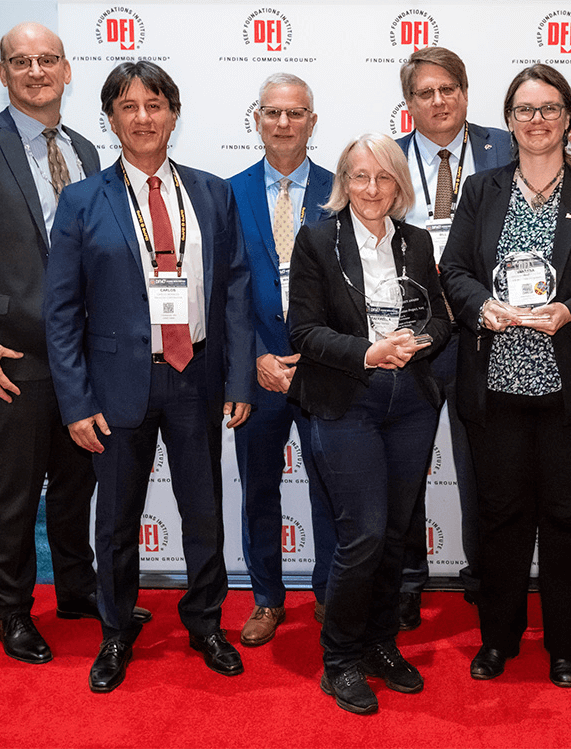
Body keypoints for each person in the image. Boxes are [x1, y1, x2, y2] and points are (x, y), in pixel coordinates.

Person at [0, 22, 150, 666]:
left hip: (82, 355)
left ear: (67, 70)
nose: (35, 70)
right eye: (20, 62)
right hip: (12, 355)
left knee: (79, 482)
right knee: (18, 490)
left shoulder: (85, 148)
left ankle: (77, 591)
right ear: (2, 74)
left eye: (46, 59)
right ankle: (14, 613)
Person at [44, 61, 255, 693]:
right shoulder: (82, 200)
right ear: (110, 118)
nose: (144, 117)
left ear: (173, 113)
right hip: (116, 388)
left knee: (203, 513)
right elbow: (60, 311)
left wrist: (239, 380)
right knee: (114, 521)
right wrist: (76, 403)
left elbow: (237, 290)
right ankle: (114, 632)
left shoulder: (213, 193)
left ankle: (206, 622)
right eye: (129, 106)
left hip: (196, 376)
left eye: (156, 104)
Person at [439, 64, 571, 688]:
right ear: (508, 120)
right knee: (501, 518)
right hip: (497, 383)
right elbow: (453, 270)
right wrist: (481, 307)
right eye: (525, 109)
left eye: (549, 108)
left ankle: (564, 645)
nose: (537, 120)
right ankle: (498, 641)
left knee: (568, 518)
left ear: (568, 117)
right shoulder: (481, 190)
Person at [287, 133, 451, 714]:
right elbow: (303, 331)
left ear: (399, 184)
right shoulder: (316, 241)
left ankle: (382, 644)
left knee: (395, 533)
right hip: (346, 400)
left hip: (408, 403)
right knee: (363, 533)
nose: (372, 189)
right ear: (343, 182)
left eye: (384, 177)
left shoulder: (415, 239)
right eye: (360, 177)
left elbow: (438, 318)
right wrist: (367, 352)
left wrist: (422, 341)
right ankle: (340, 659)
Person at [394, 47, 513, 628]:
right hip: (411, 338)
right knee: (406, 469)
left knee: (485, 470)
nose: (438, 101)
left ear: (466, 93)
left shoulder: (509, 147)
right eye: (424, 93)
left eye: (448, 89)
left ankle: (485, 576)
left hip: (485, 337)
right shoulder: (385, 160)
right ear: (409, 103)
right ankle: (408, 580)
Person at [228, 73, 337, 646]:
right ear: (257, 120)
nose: (283, 123)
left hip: (325, 372)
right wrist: (253, 361)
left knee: (331, 491)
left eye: (296, 114)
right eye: (272, 113)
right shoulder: (226, 193)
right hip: (260, 374)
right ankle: (267, 598)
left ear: (312, 122)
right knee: (258, 491)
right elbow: (222, 291)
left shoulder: (344, 189)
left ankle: (328, 595)